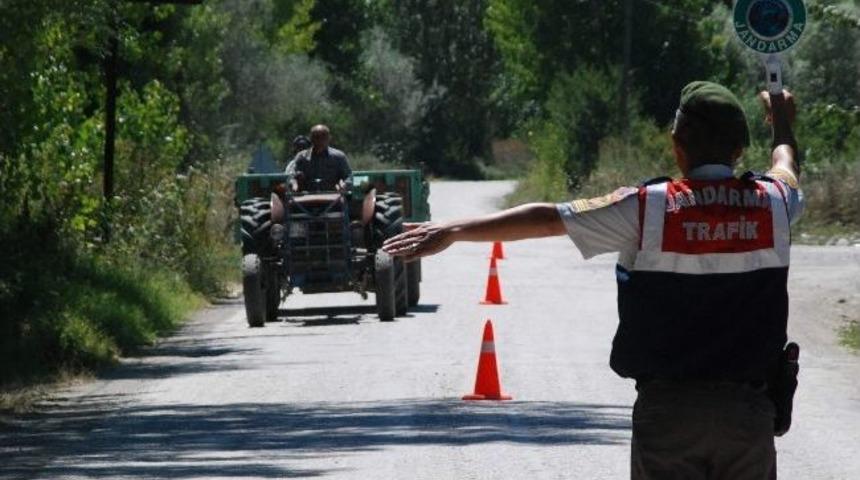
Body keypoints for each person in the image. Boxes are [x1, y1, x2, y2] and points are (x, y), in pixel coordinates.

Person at [383, 81, 802, 480]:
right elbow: (785, 163)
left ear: (677, 147)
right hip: (750, 415)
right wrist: (781, 120)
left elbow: (548, 218)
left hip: (669, 414)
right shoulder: (774, 204)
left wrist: (454, 229)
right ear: (739, 149)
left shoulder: (647, 208)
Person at [285, 125, 352, 192]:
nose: (320, 140)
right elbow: (291, 175)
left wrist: (344, 185)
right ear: (311, 139)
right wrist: (293, 184)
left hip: (333, 196)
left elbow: (348, 176)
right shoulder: (302, 157)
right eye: (316, 137)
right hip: (306, 197)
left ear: (329, 138)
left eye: (323, 137)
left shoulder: (338, 157)